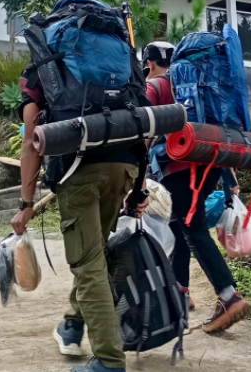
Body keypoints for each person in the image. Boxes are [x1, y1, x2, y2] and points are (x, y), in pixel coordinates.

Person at [11, 65, 149, 372]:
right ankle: (73, 324)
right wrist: (139, 187)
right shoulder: (120, 55)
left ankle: (109, 361)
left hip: (79, 169)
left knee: (88, 264)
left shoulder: (45, 63)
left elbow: (31, 141)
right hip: (125, 165)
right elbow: (145, 121)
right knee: (94, 251)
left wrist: (26, 203)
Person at [143, 40, 251, 333]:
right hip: (209, 165)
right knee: (180, 226)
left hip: (178, 169)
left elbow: (144, 132)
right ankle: (180, 292)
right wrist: (229, 177)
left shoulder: (155, 86)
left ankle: (229, 296)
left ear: (150, 63)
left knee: (193, 229)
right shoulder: (201, 85)